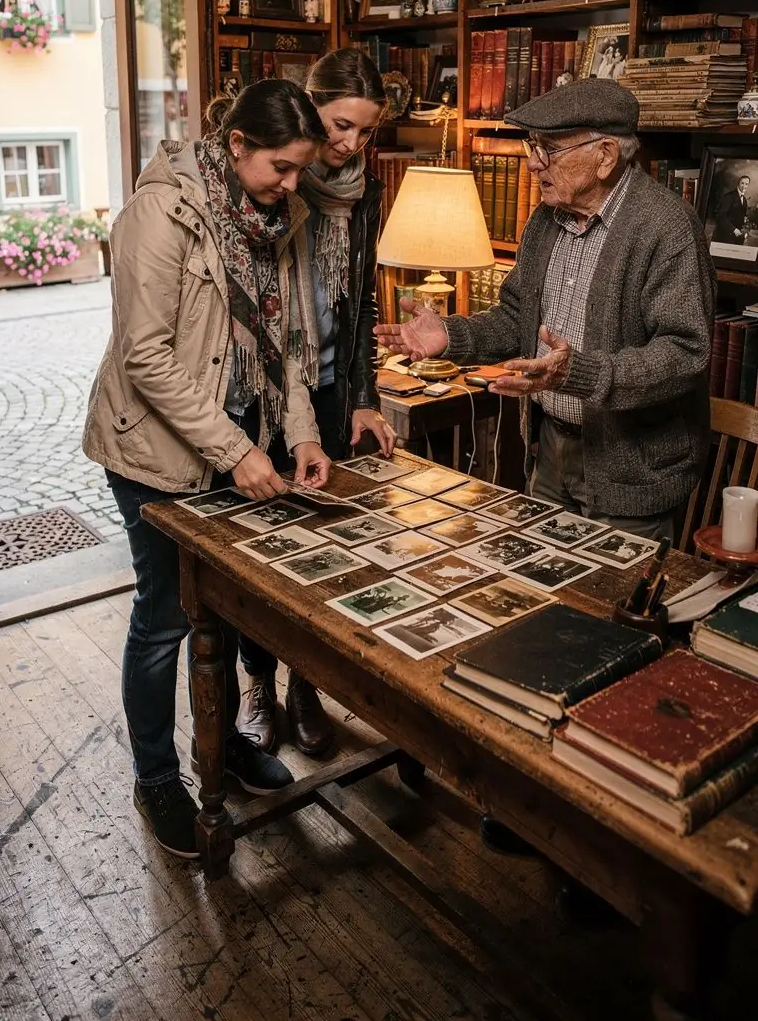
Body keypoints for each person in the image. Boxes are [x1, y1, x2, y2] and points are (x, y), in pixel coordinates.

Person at [376, 79, 716, 858]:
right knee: (540, 625)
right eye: (531, 146)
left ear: (606, 152)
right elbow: (514, 319)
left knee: (614, 652)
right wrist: (450, 338)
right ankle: (536, 802)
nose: (533, 163)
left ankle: (604, 846)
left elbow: (685, 355)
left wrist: (579, 374)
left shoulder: (666, 227)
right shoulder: (542, 222)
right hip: (553, 458)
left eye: (548, 149)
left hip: (631, 468)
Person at [83, 79, 332, 858]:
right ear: (235, 146)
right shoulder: (158, 214)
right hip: (156, 449)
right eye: (282, 168)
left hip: (240, 438)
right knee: (165, 619)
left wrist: (303, 436)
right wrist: (238, 451)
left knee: (222, 614)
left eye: (301, 171)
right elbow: (146, 358)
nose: (294, 187)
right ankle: (157, 776)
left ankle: (219, 748)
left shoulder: (278, 215)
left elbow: (284, 341)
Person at [237, 48, 396, 756]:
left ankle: (305, 685)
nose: (349, 145)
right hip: (268, 390)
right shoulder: (276, 178)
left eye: (365, 132)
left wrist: (364, 397)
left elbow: (360, 301)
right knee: (260, 551)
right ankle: (256, 687)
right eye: (339, 125)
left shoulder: (369, 190)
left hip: (330, 392)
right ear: (310, 104)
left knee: (323, 549)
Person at [713, 174, 751, 245]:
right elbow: (720, 216)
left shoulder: (744, 200)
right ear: (738, 183)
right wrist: (733, 229)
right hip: (725, 236)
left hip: (737, 237)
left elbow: (741, 215)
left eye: (746, 184)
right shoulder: (728, 196)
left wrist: (745, 219)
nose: (744, 186)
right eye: (742, 183)